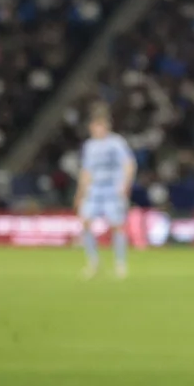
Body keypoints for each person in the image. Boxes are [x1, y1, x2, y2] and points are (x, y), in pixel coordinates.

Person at [74, 106, 136, 279]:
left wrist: (125, 185)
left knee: (117, 226)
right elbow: (86, 171)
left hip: (112, 190)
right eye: (94, 125)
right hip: (94, 191)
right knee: (85, 223)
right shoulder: (89, 146)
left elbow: (129, 164)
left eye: (100, 125)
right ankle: (93, 262)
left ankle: (120, 264)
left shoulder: (116, 143)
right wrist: (80, 193)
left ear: (106, 126)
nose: (97, 129)